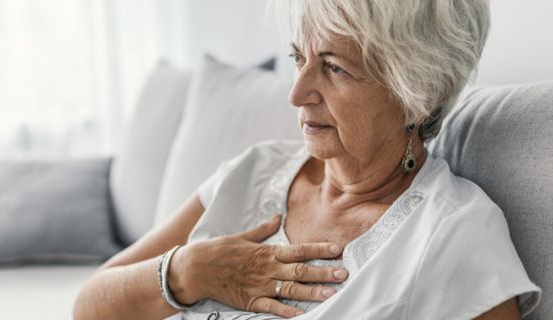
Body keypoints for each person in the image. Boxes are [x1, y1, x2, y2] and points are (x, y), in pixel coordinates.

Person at [74, 0, 541, 319]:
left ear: (419, 93)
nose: (297, 93)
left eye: (335, 67)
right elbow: (90, 305)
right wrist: (190, 271)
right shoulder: (253, 170)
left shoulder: (453, 233)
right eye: (299, 58)